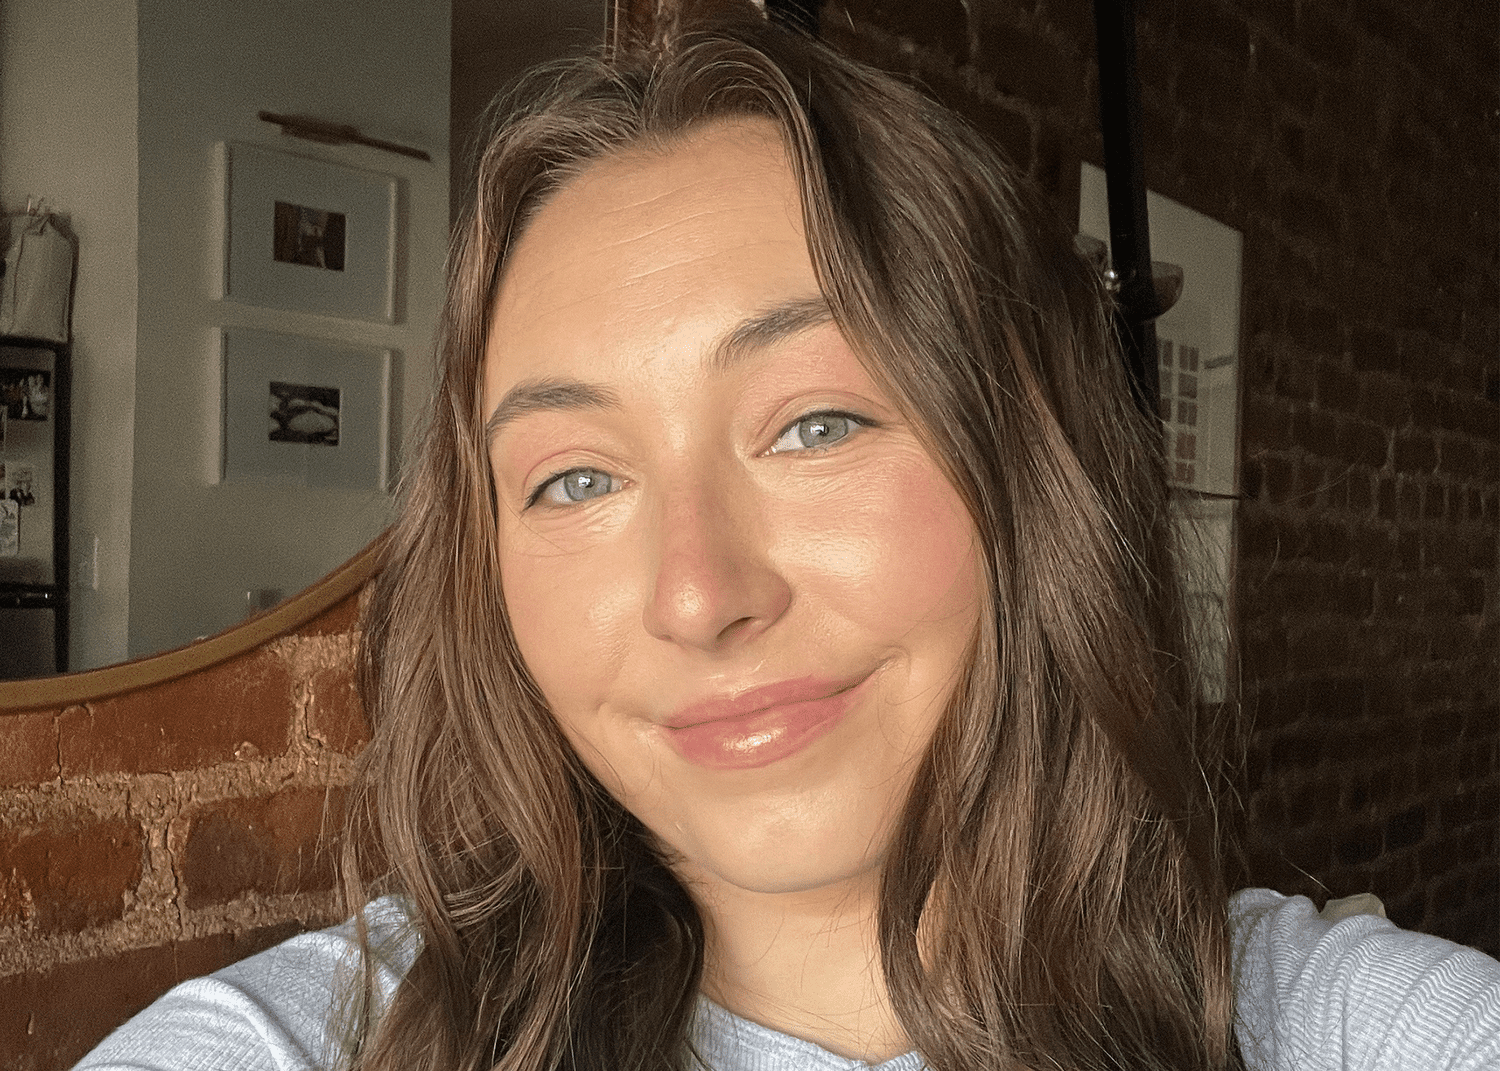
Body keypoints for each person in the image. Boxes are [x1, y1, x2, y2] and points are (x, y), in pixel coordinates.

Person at [75, 13, 1500, 1071]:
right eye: (576, 478)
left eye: (815, 424)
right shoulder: (314, 1040)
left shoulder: (1339, 1026)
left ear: (1026, 469)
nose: (700, 595)